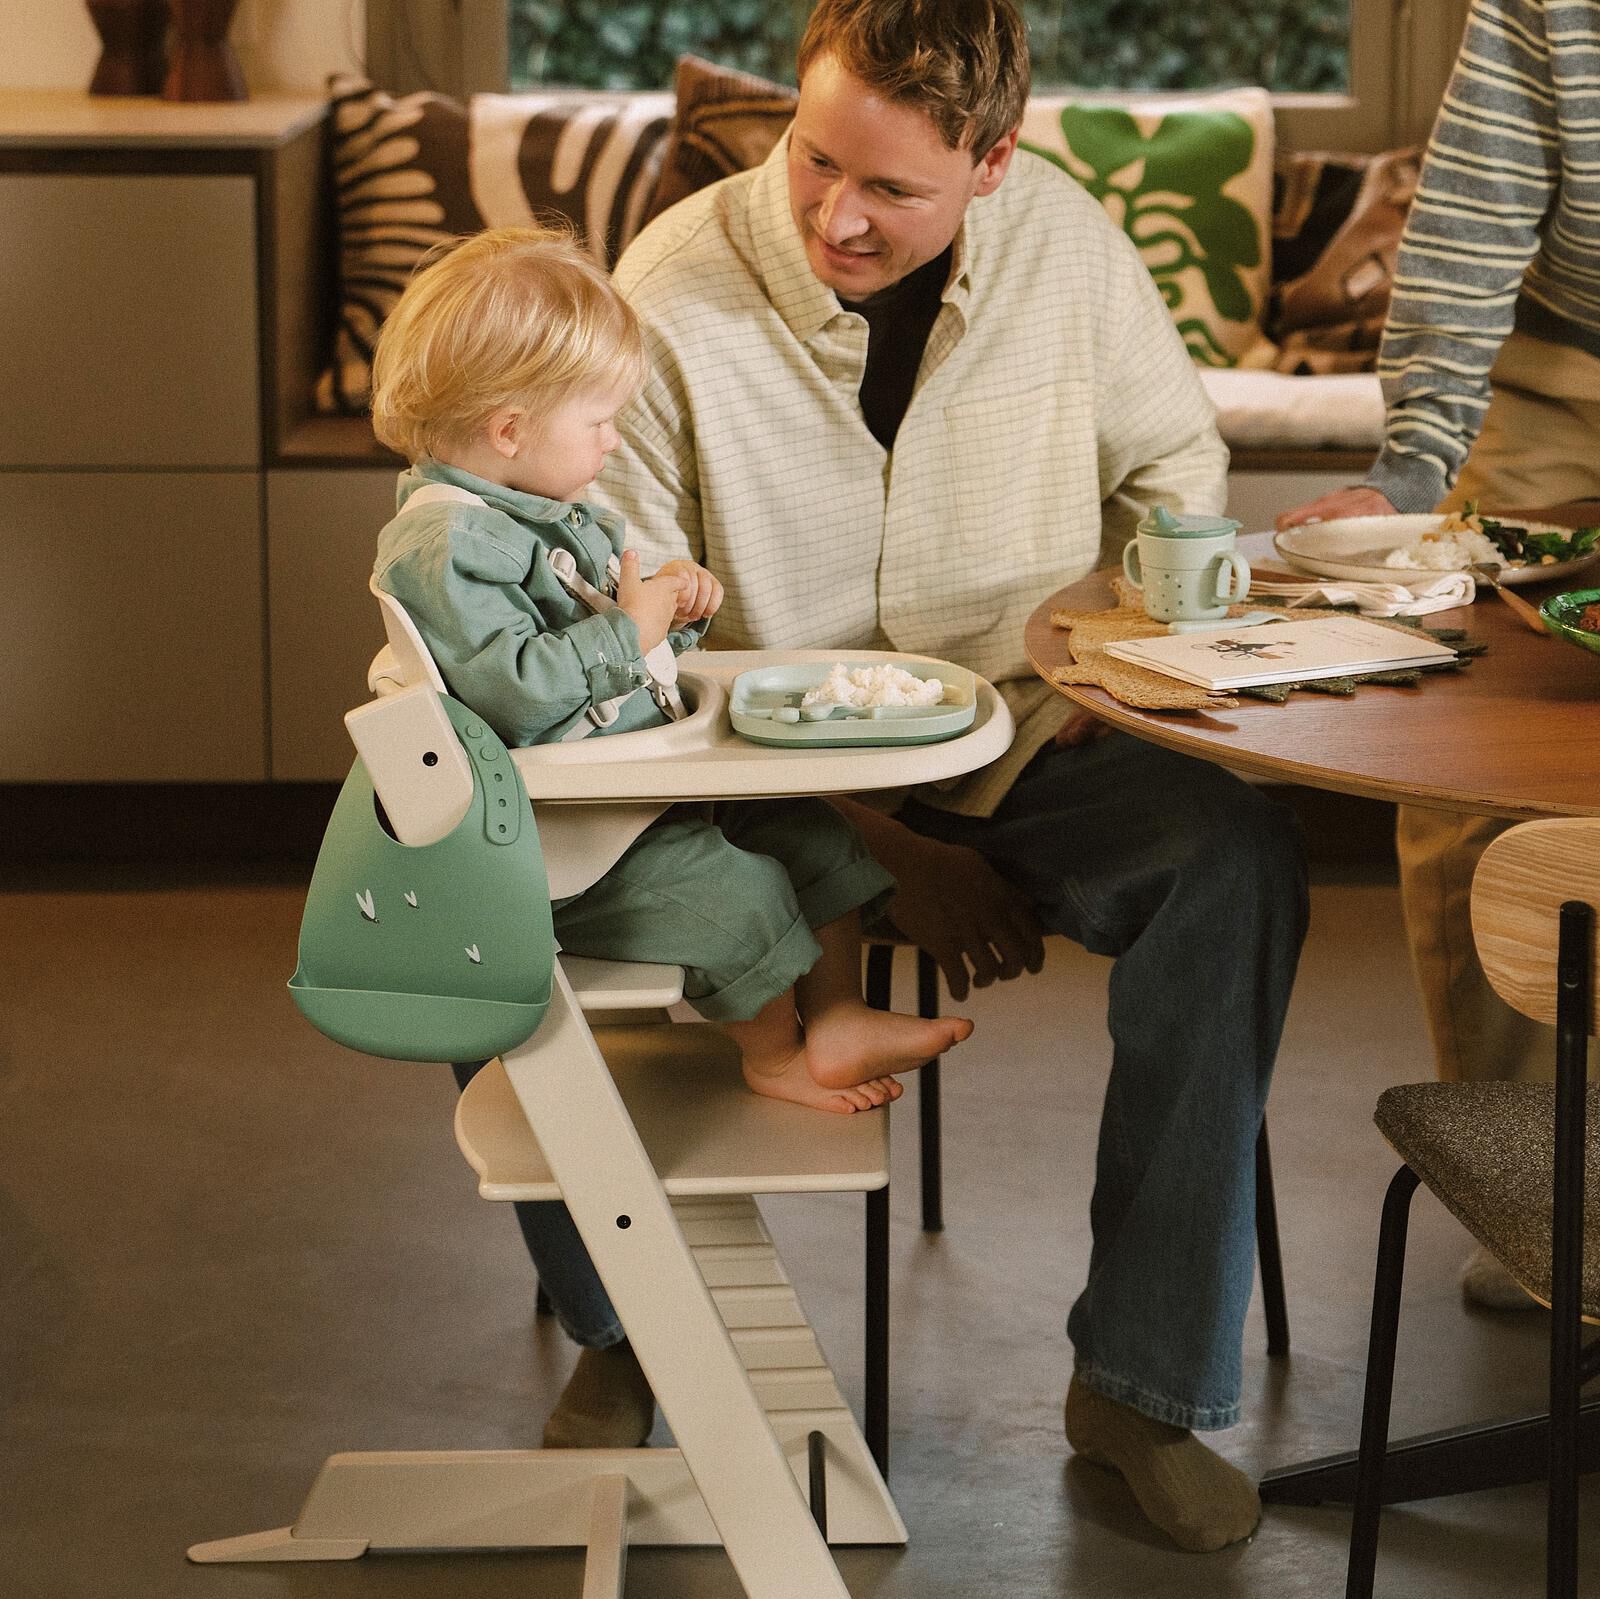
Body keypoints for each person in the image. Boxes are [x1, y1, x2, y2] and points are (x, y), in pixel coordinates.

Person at [510, 0, 1310, 1556]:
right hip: (737, 772)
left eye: (892, 189)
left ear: (994, 162)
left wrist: (1122, 649)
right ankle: (625, 1332)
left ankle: (1139, 1388)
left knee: (1236, 858)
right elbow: (626, 653)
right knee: (504, 896)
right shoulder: (666, 289)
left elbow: (1175, 469)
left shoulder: (1073, 253)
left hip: (1027, 732)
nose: (836, 215)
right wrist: (874, 843)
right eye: (815, 161)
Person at [367, 225, 971, 1115]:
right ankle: (773, 1055)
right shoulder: (449, 543)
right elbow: (521, 696)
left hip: (627, 795)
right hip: (564, 847)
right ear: (509, 429)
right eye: (600, 420)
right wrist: (628, 630)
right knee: (743, 890)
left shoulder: (541, 514)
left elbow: (606, 666)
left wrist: (667, 617)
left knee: (805, 829)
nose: (613, 442)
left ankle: (838, 1015)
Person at [1274, 0, 1600, 1307]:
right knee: (1467, 749)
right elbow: (1465, 228)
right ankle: (1541, 1200)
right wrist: (1410, 471)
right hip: (1556, 384)